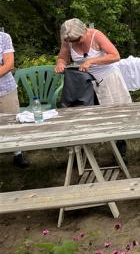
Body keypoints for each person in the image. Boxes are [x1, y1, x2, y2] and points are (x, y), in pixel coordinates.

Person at [55, 19, 132, 154]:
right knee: (85, 115)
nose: (74, 43)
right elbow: (63, 58)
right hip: (84, 82)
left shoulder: (96, 35)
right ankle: (83, 150)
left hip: (108, 78)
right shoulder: (68, 40)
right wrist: (60, 63)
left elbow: (115, 56)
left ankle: (120, 145)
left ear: (83, 31)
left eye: (77, 39)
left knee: (114, 114)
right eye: (71, 41)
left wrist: (91, 61)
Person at [0, 31, 28, 168]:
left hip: (6, 89)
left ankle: (18, 154)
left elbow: (9, 64)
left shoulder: (4, 37)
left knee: (12, 121)